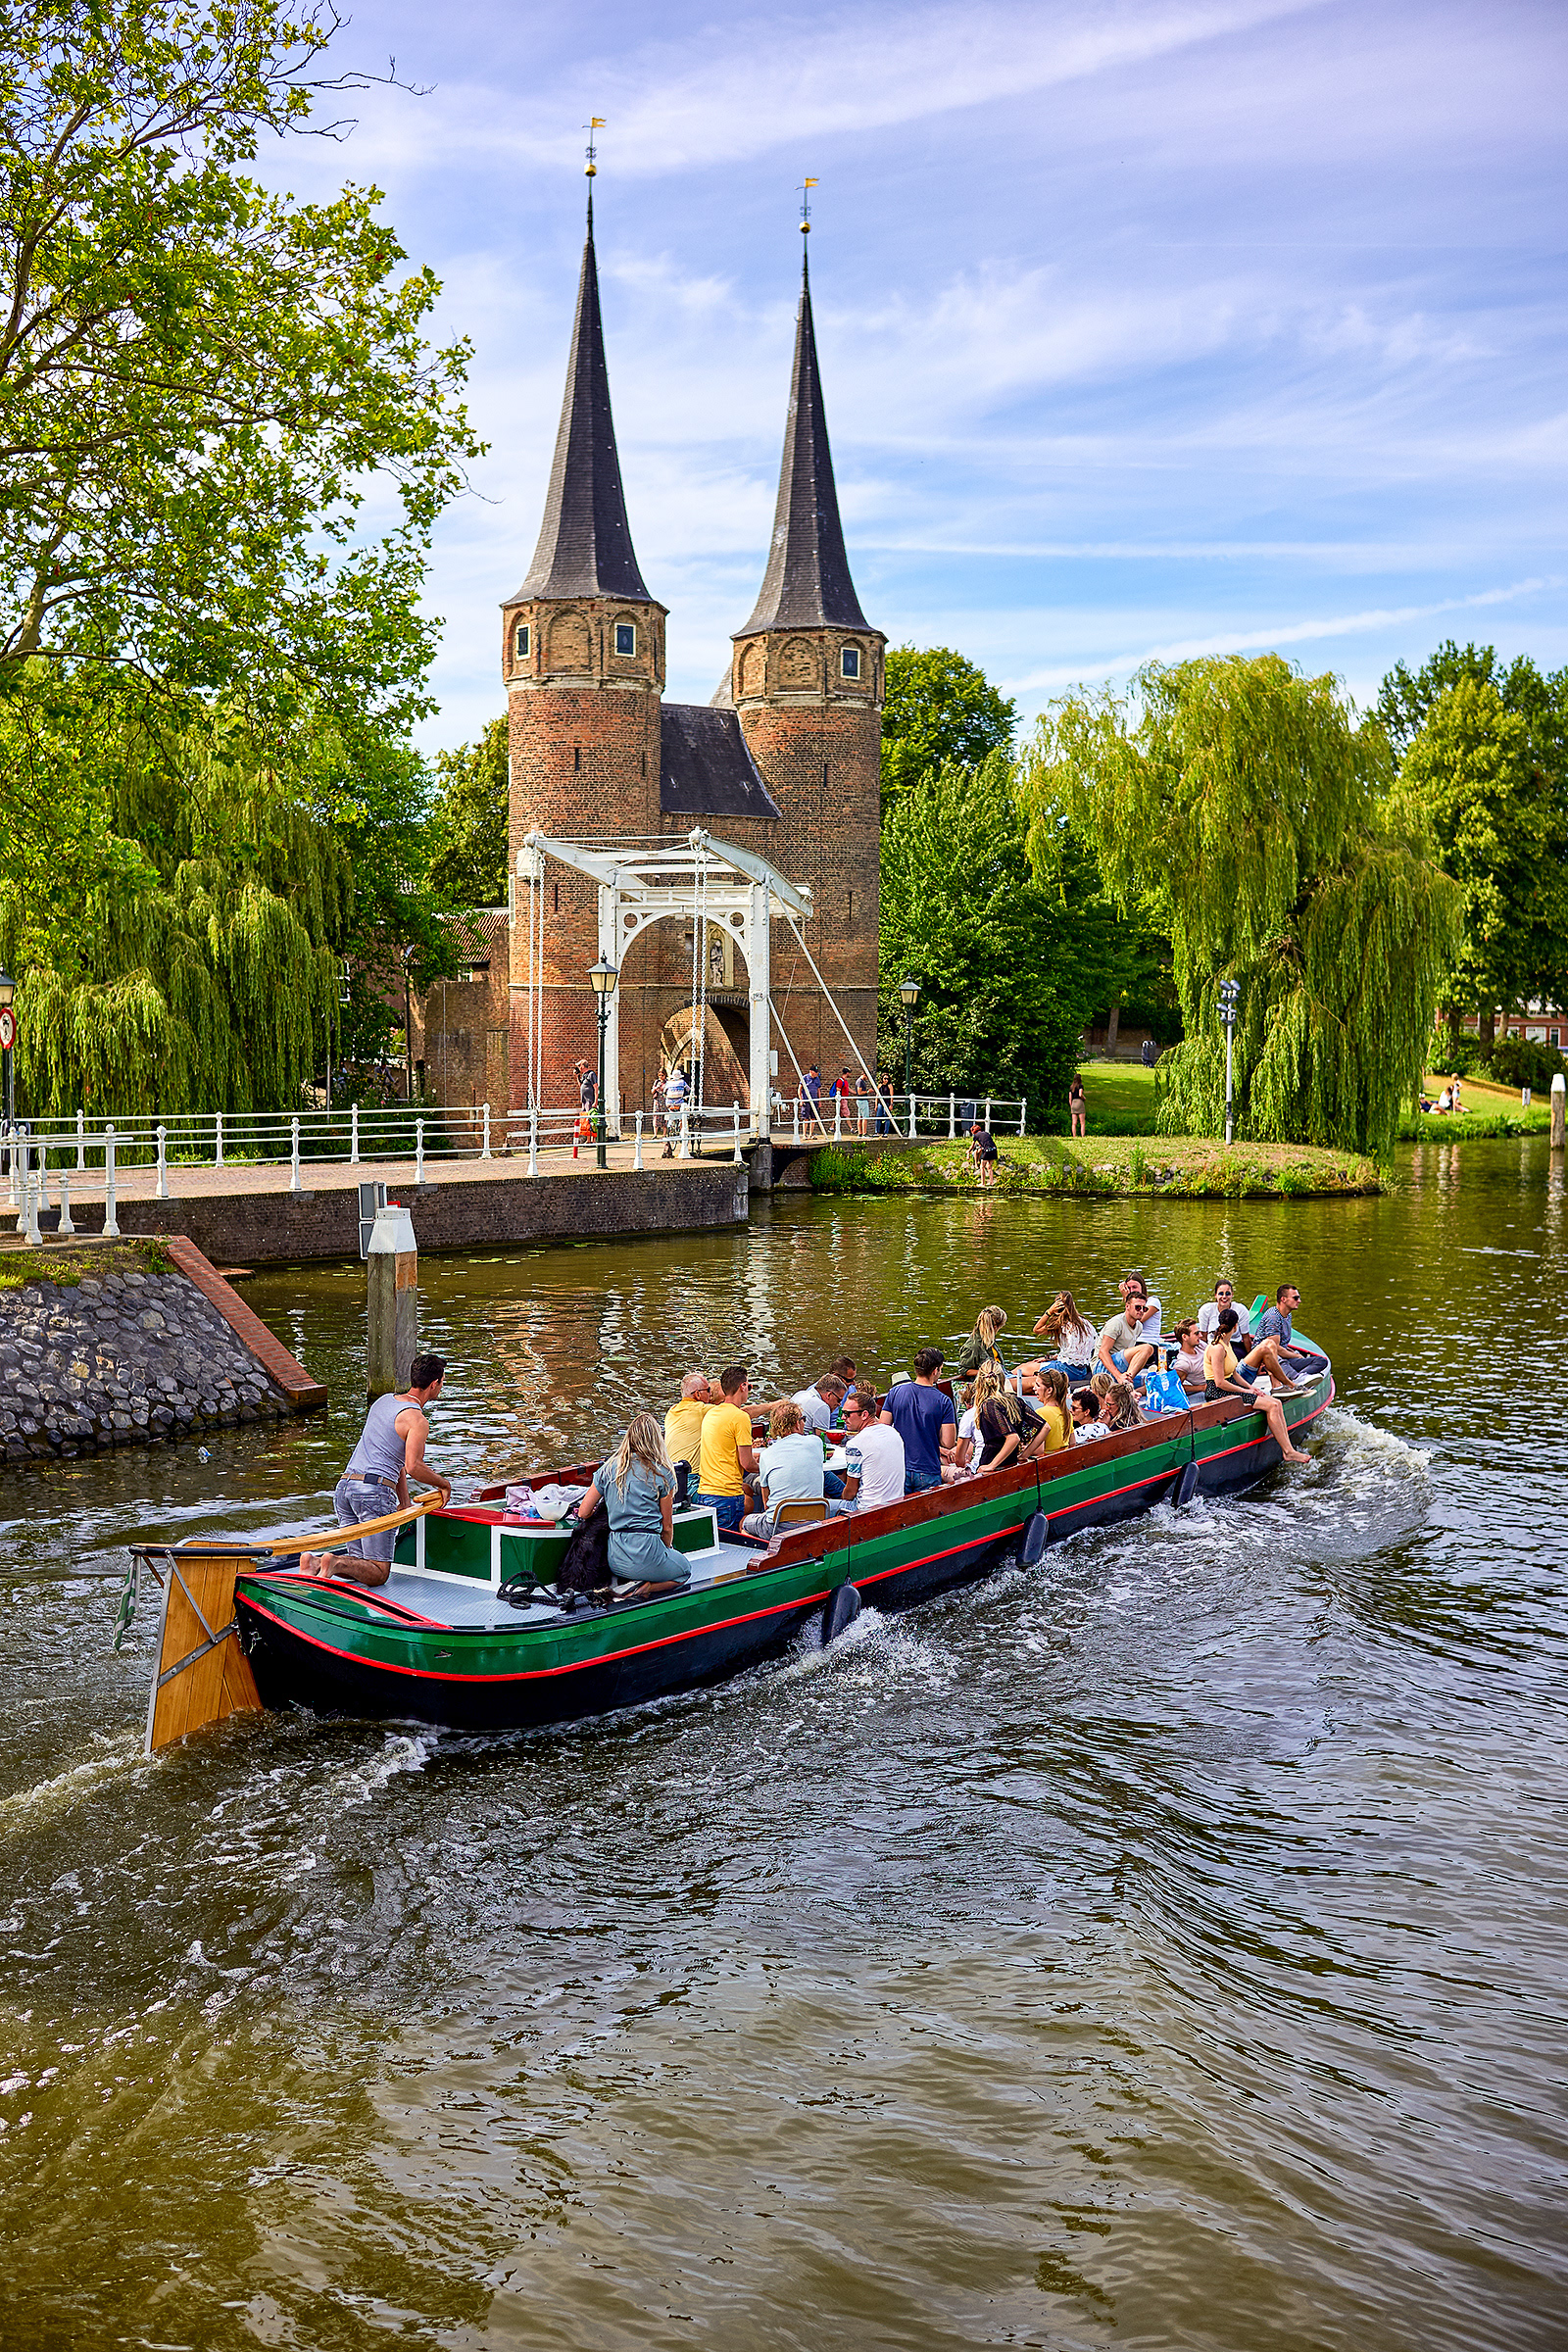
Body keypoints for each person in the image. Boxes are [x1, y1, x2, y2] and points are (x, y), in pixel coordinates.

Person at [301, 1353, 452, 1585]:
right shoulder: (417, 1420)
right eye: (442, 1382)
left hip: (345, 1488)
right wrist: (444, 1484)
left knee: (360, 1562)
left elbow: (395, 1458)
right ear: (434, 1384)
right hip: (373, 1493)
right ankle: (335, 1562)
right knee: (379, 1573)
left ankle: (314, 1562)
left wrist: (404, 1501)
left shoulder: (383, 1401)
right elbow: (413, 1466)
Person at [576, 1413, 691, 1596]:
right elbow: (667, 1527)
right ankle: (647, 1588)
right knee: (684, 1571)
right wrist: (665, 1551)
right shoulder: (663, 1473)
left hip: (615, 1559)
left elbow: (583, 1511)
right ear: (657, 1439)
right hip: (648, 1553)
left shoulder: (610, 1468)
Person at [1202, 1311, 1310, 1465]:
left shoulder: (1227, 1344)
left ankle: (1290, 1449)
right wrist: (1245, 1391)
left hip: (1231, 1386)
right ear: (1236, 1326)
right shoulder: (1217, 1348)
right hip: (1218, 1392)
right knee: (1272, 1406)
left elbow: (1233, 1373)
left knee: (1276, 1402)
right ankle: (1287, 1452)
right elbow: (1219, 1382)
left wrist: (1251, 1387)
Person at [741, 1401, 827, 1538]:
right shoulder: (816, 1442)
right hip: (814, 1521)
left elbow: (766, 1503)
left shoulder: (767, 1455)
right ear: (797, 1424)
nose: (804, 1423)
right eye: (803, 1419)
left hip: (778, 1526)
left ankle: (765, 1552)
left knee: (743, 1522)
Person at [881, 1347, 956, 1493]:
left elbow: (883, 1429)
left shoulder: (895, 1392)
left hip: (899, 1467)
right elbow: (947, 1442)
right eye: (941, 1369)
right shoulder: (944, 1401)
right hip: (928, 1469)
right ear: (935, 1371)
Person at [695, 1363, 759, 1531]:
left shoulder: (711, 1414)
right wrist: (770, 1467)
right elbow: (747, 1464)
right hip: (728, 1496)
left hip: (704, 1494)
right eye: (748, 1386)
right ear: (742, 1386)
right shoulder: (740, 1417)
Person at [837, 1386, 906, 1511]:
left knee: (823, 1505)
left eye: (847, 1414)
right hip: (896, 1503)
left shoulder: (855, 1444)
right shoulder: (893, 1432)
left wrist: (841, 1498)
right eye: (842, 1412)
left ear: (864, 1415)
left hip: (866, 1509)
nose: (842, 1418)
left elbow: (850, 1493)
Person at [1256, 1284, 1329, 1380]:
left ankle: (1301, 1377)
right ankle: (1297, 1378)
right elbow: (1274, 1348)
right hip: (1268, 1359)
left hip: (1282, 1356)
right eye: (1295, 1298)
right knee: (1283, 1361)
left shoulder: (1287, 1315)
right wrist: (1296, 1355)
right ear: (1283, 1299)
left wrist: (1294, 1353)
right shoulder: (1273, 1317)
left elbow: (1282, 1346)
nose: (1299, 1301)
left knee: (1321, 1361)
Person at [1026, 1292, 1099, 1383]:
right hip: (1081, 1371)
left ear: (1056, 1309)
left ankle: (1006, 1381)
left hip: (1066, 1370)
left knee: (1024, 1368)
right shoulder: (1085, 1324)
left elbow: (1037, 1329)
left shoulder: (1062, 1325)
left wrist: (1049, 1312)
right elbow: (1076, 1353)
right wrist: (1050, 1358)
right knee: (1035, 1364)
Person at [971, 1366, 1030, 1470]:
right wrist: (1024, 1455)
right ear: (1003, 1380)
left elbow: (1013, 1438)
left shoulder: (989, 1405)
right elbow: (1044, 1427)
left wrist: (992, 1465)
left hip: (992, 1462)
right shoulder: (1016, 1401)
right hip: (1012, 1462)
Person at [1097, 1284, 1157, 1380]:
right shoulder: (1116, 1323)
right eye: (1137, 1307)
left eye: (1144, 1308)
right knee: (1147, 1348)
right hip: (1102, 1368)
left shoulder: (1139, 1326)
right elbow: (1102, 1353)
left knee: (1152, 1382)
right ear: (1127, 1306)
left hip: (1122, 1368)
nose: (1141, 1311)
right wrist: (1119, 1376)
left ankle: (1127, 1382)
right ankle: (1125, 1382)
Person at [664, 1371, 713, 1479]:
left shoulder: (672, 1411)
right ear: (698, 1394)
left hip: (670, 1475)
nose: (711, 1394)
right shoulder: (700, 1410)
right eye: (708, 1390)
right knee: (745, 1493)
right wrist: (760, 1407)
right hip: (691, 1477)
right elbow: (735, 1413)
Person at [1028, 1366, 1073, 1454]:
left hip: (1046, 1463)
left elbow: (1038, 1451)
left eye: (1038, 1385)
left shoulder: (1040, 1413)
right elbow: (1072, 1444)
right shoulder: (1067, 1414)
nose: (1034, 1388)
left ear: (1049, 1390)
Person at [957, 1306, 1007, 1382]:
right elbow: (963, 1370)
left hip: (1002, 1375)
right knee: (1031, 1383)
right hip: (989, 1382)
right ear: (995, 1327)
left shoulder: (989, 1341)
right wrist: (986, 1373)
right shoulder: (973, 1346)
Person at [1197, 1280, 1247, 1344]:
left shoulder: (1241, 1309)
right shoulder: (1206, 1310)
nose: (1224, 1297)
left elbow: (1245, 1337)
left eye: (1228, 1293)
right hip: (1213, 1344)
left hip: (1234, 1344)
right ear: (1216, 1295)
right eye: (1221, 1293)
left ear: (1232, 1295)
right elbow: (1203, 1337)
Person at [1169, 1319, 1207, 1396]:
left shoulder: (1200, 1345)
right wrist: (1201, 1387)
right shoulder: (1183, 1363)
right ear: (1184, 1337)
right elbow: (1173, 1386)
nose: (1201, 1335)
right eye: (1196, 1333)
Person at [969, 1120, 999, 1188]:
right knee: (989, 1166)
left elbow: (972, 1145)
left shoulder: (976, 1135)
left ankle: (983, 1183)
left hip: (987, 1150)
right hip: (994, 1149)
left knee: (982, 1166)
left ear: (973, 1131)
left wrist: (969, 1151)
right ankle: (991, 1182)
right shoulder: (986, 1133)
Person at [874, 1067, 894, 1135]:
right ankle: (877, 1132)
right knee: (878, 1117)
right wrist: (876, 1104)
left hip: (887, 1103)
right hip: (880, 1103)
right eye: (885, 1078)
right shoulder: (879, 1085)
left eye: (887, 1079)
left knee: (886, 1117)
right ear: (882, 1079)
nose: (886, 1080)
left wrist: (891, 1104)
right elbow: (877, 1095)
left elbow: (891, 1095)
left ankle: (885, 1132)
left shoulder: (889, 1085)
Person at [1068, 1072, 1086, 1138]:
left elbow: (1070, 1098)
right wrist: (1084, 1098)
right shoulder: (1080, 1086)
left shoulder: (1071, 1087)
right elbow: (1080, 1094)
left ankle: (1074, 1136)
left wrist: (1071, 1106)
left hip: (1073, 1103)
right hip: (1079, 1102)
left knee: (1074, 1123)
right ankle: (1082, 1135)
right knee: (1082, 1122)